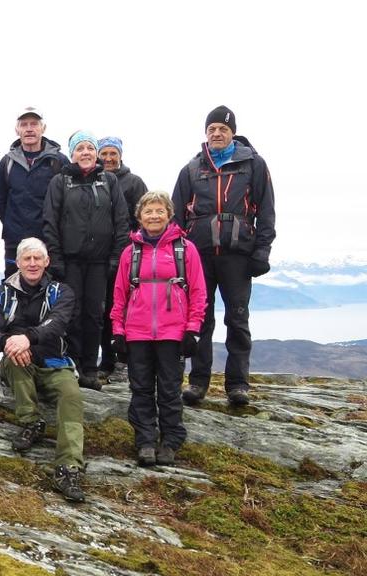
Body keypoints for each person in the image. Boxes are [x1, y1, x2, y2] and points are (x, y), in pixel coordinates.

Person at [173, 106, 275, 407]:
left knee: (237, 318)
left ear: (232, 133)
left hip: (238, 256)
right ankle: (198, 382)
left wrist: (262, 251)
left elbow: (266, 210)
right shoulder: (192, 169)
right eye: (212, 129)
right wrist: (178, 256)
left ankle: (237, 385)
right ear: (206, 134)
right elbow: (176, 216)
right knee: (200, 320)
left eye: (223, 129)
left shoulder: (253, 165)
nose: (217, 134)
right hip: (198, 256)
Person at [0, 238, 85, 502]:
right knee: (17, 362)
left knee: (71, 396)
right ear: (17, 263)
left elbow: (57, 324)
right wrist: (10, 343)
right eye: (26, 259)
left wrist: (27, 338)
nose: (32, 263)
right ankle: (31, 422)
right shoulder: (0, 294)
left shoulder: (61, 292)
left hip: (54, 363)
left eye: (37, 258)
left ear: (46, 261)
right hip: (17, 361)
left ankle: (68, 466)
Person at [110, 192, 207, 466]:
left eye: (159, 210)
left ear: (169, 214)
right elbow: (120, 294)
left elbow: (199, 292)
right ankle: (145, 441)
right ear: (139, 217)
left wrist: (193, 329)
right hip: (137, 333)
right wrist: (118, 330)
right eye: (148, 211)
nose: (154, 216)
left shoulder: (185, 250)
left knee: (169, 389)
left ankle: (171, 441)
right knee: (140, 388)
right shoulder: (131, 252)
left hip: (173, 333)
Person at [43, 130, 129, 391]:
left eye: (90, 148)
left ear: (96, 153)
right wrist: (55, 258)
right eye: (80, 148)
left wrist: (117, 256)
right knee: (72, 314)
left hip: (100, 263)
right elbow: (50, 222)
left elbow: (122, 221)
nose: (85, 153)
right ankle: (73, 365)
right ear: (72, 154)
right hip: (69, 262)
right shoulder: (60, 182)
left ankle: (90, 368)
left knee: (95, 315)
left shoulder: (109, 181)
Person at [96, 136, 148, 381]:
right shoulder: (93, 180)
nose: (108, 158)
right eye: (103, 153)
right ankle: (107, 360)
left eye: (112, 153)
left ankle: (126, 361)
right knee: (105, 310)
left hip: (129, 257)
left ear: (120, 155)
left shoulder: (134, 183)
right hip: (99, 257)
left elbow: (144, 219)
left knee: (127, 309)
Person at [0, 108, 70, 277]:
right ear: (17, 130)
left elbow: (68, 203)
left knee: (51, 293)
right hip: (15, 242)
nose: (29, 128)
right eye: (24, 124)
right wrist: (13, 225)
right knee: (13, 291)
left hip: (50, 242)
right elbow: (0, 201)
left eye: (34, 124)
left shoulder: (59, 161)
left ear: (43, 128)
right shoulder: (7, 163)